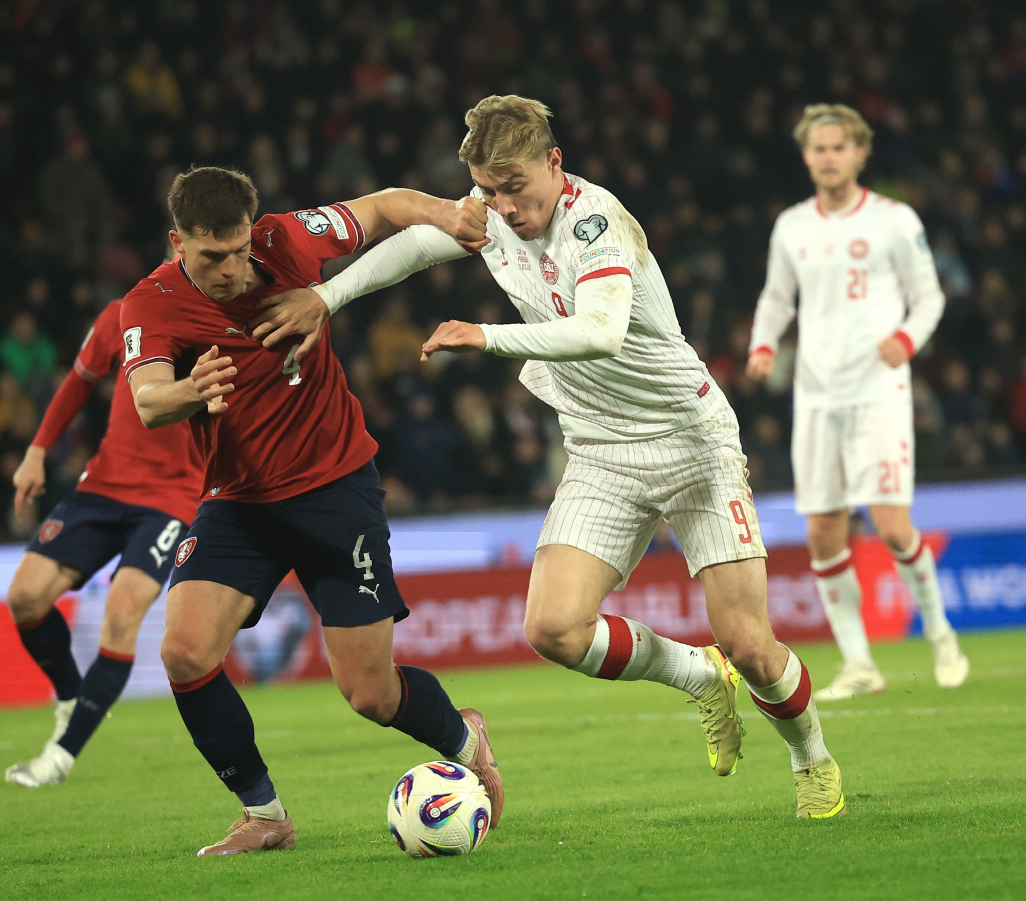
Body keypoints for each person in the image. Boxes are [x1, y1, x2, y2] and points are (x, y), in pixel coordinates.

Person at [253, 96, 844, 819]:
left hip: (690, 439)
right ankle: (696, 675)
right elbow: (414, 244)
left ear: (555, 164)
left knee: (751, 643)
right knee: (553, 629)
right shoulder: (491, 211)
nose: (502, 207)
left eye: (515, 187)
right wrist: (326, 294)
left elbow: (600, 331)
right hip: (600, 446)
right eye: (488, 191)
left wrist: (488, 336)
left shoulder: (596, 222)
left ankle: (809, 756)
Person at [120, 166, 502, 856]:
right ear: (178, 242)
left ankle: (464, 737)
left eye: (240, 250)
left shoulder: (285, 241)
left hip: (334, 490)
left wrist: (448, 214)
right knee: (182, 649)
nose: (235, 269)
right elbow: (148, 400)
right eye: (214, 257)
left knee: (369, 693)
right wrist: (190, 389)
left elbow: (384, 207)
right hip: (238, 504)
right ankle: (264, 813)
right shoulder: (150, 305)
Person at [745, 104, 968, 700]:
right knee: (823, 534)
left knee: (894, 528)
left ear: (860, 153)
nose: (828, 157)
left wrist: (904, 339)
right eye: (818, 149)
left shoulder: (895, 220)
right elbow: (776, 297)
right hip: (817, 396)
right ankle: (860, 663)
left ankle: (942, 634)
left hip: (878, 393)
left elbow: (929, 299)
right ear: (806, 157)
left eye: (838, 147)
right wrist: (763, 345)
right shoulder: (792, 225)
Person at [5, 298, 203, 786]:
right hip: (104, 485)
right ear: (176, 241)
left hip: (171, 497)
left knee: (121, 614)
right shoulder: (126, 312)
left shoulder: (225, 317)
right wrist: (36, 452)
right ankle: (71, 696)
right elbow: (79, 381)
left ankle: (60, 757)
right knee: (25, 597)